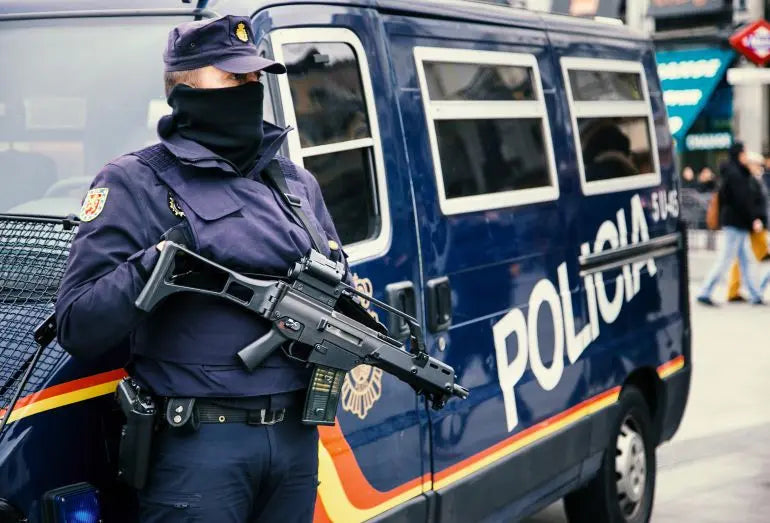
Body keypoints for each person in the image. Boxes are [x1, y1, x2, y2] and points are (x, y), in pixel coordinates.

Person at [55, 16, 346, 522]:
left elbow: (339, 279)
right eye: (234, 78)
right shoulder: (136, 182)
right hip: (201, 447)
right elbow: (77, 323)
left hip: (296, 440)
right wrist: (164, 259)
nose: (250, 88)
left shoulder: (295, 185)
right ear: (184, 87)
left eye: (256, 78)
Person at [696, 142, 765, 306]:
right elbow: (742, 200)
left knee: (744, 260)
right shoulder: (736, 174)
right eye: (743, 153)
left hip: (736, 222)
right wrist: (752, 219)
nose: (745, 156)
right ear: (738, 154)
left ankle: (755, 294)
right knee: (726, 259)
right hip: (735, 222)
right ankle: (705, 291)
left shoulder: (736, 172)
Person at [726, 151, 769, 301]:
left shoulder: (756, 179)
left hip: (758, 224)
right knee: (744, 260)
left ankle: (751, 291)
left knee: (745, 260)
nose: (760, 167)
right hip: (755, 225)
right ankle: (750, 291)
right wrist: (755, 219)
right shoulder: (749, 180)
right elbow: (749, 203)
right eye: (757, 164)